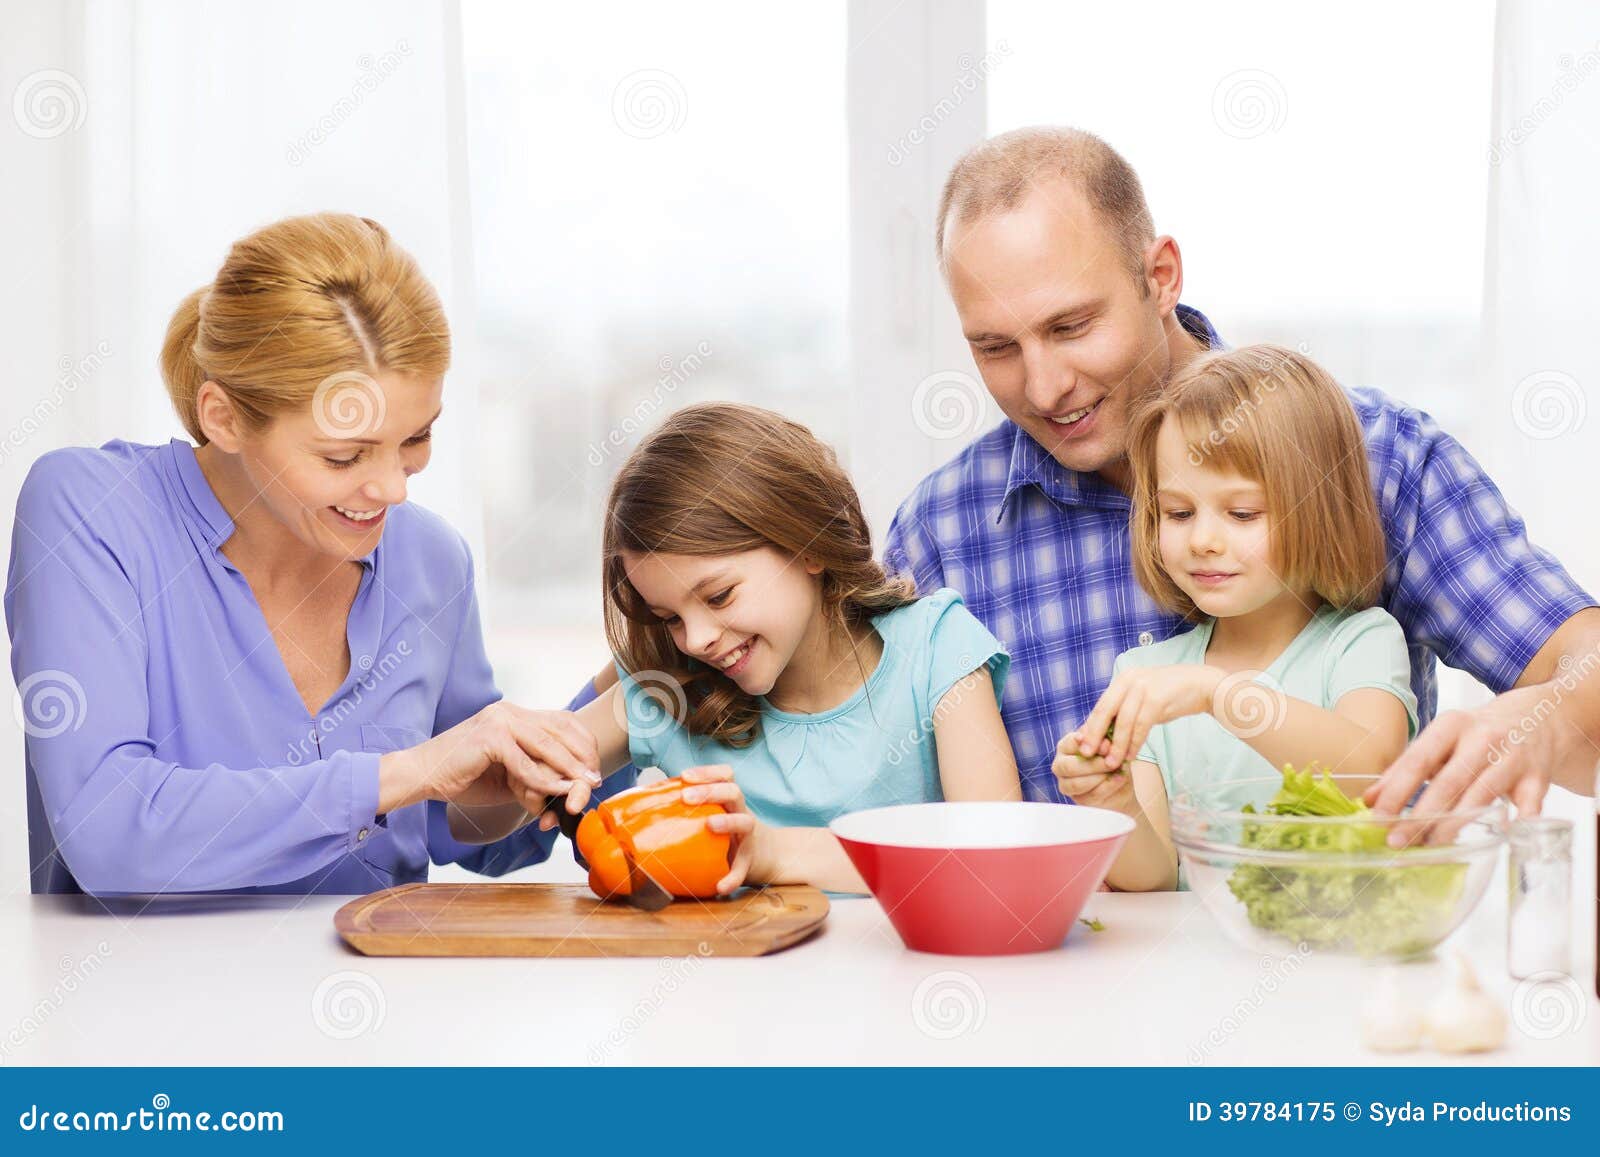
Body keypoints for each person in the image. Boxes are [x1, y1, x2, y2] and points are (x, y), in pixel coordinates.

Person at [885, 126, 1599, 832]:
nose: (1044, 388)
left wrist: (1548, 720)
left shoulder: (1375, 455)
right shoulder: (941, 531)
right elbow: (884, 806)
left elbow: (1582, 661)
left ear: (1159, 276)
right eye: (996, 347)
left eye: (1071, 326)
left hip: (1343, 938)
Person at [5, 213, 605, 895]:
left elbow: (453, 820)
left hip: (389, 996)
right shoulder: (93, 510)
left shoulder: (431, 561)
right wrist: (405, 771)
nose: (391, 487)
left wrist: (610, 718)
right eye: (344, 455)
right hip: (145, 998)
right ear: (223, 417)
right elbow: (111, 833)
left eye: (415, 439)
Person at [456, 402, 1022, 893]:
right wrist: (510, 776)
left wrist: (775, 854)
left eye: (720, 596)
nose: (696, 639)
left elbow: (1000, 859)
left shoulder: (935, 650)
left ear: (808, 544)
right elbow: (467, 829)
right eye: (668, 617)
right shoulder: (674, 690)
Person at [1053, 346, 1417, 889]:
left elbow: (1370, 772)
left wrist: (1220, 694)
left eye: (1242, 513)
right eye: (1178, 513)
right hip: (1198, 967)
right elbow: (1153, 880)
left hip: (1333, 962)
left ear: (1320, 510)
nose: (1202, 540)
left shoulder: (1359, 641)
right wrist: (1114, 800)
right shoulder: (1146, 675)